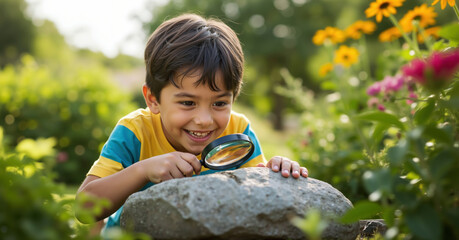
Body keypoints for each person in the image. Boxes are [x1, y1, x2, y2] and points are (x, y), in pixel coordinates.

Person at [76, 13, 308, 233]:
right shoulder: (135, 130)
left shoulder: (239, 130)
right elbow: (84, 208)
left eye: (219, 104)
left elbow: (257, 194)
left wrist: (276, 173)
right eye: (188, 103)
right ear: (153, 99)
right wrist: (143, 170)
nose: (204, 120)